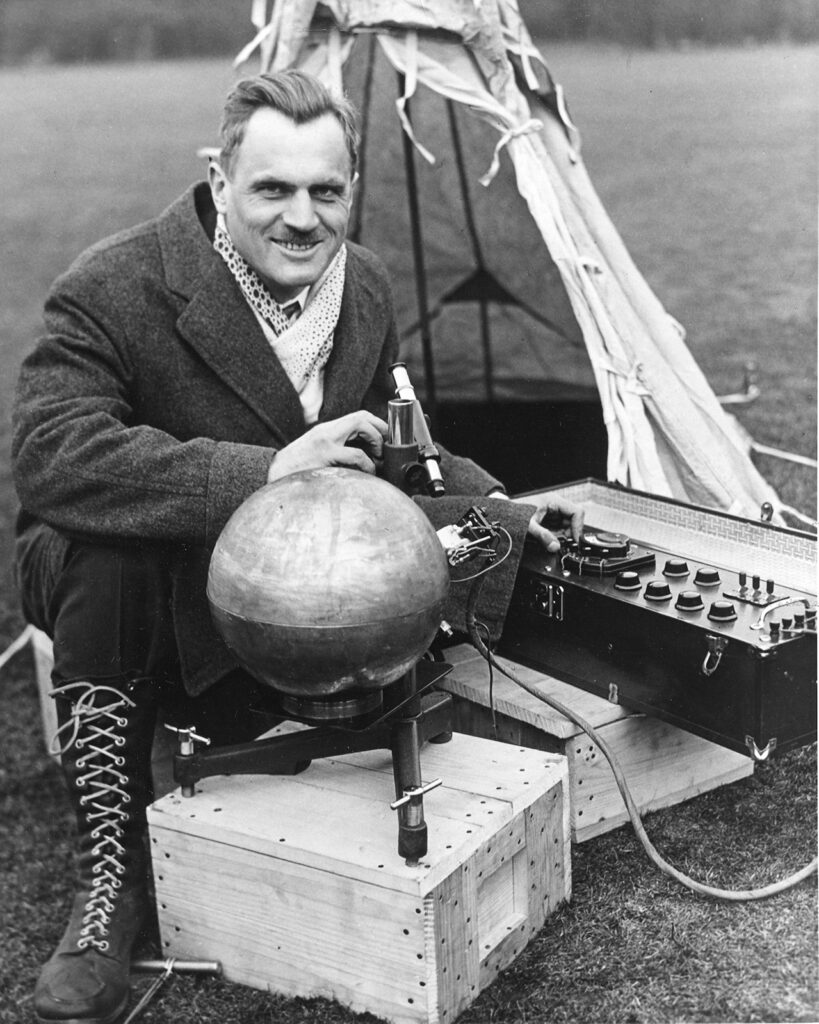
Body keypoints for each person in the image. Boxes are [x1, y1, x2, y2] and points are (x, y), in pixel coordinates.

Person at [12, 70, 582, 1024]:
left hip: (281, 571)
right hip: (129, 563)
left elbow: (400, 441)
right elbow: (51, 455)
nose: (301, 218)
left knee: (445, 539)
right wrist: (265, 470)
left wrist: (500, 510)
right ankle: (112, 878)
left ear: (352, 185)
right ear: (220, 176)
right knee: (107, 564)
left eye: (326, 190)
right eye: (272, 189)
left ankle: (289, 692)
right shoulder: (114, 282)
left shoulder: (365, 286)